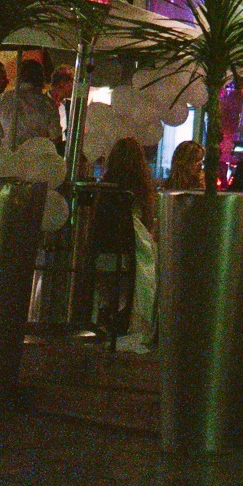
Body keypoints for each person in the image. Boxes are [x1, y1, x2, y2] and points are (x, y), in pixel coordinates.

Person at [101, 136, 157, 352]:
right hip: (132, 247)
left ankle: (107, 318)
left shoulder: (106, 188)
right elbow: (147, 222)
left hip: (106, 247)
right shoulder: (140, 190)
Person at [0, 59, 62, 151]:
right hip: (36, 156)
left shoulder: (2, 99)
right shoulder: (47, 104)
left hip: (8, 156)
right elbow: (56, 137)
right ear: (40, 78)